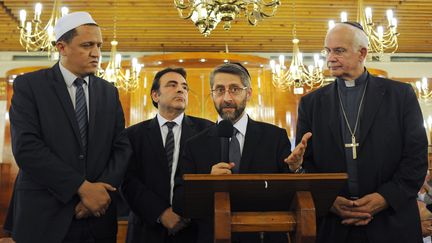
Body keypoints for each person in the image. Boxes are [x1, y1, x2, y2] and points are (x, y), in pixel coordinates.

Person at [292, 22, 428, 243]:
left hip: (391, 221)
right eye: (327, 51)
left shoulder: (400, 96)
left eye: (339, 50)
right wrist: (330, 200)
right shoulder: (311, 103)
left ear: (362, 53)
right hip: (335, 223)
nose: (330, 58)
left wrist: (384, 198)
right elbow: (308, 162)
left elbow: (416, 158)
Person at [5, 12, 131, 243]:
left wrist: (100, 194)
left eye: (99, 45)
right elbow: (27, 148)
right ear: (62, 47)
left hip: (98, 217)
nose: (96, 53)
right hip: (44, 214)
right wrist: (82, 188)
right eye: (87, 45)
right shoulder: (30, 86)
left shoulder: (109, 92)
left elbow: (121, 148)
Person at [172, 63, 310, 243]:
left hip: (265, 236)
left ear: (249, 93)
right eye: (219, 90)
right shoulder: (195, 145)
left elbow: (292, 196)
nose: (227, 98)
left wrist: (295, 169)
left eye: (234, 89)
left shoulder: (274, 137)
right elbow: (179, 202)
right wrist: (206, 183)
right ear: (212, 94)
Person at [121, 67, 213, 243]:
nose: (181, 89)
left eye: (184, 87)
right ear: (156, 96)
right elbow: (127, 180)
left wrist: (184, 213)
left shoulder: (208, 131)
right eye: (172, 85)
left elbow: (208, 179)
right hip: (146, 229)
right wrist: (161, 213)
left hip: (193, 229)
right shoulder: (132, 135)